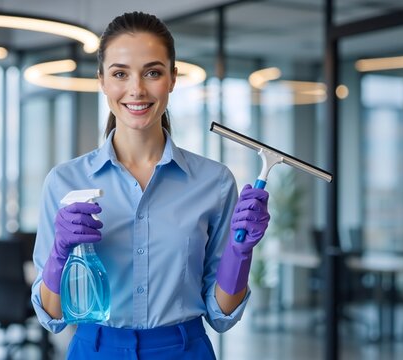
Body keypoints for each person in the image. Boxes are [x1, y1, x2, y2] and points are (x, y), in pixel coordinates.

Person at [31, 11, 270, 359]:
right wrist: (59, 254)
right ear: (102, 80)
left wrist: (241, 252)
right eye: (120, 74)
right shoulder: (64, 182)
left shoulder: (214, 183)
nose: (136, 90)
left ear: (172, 79)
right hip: (95, 350)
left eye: (153, 72)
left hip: (184, 350)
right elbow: (51, 316)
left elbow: (221, 315)